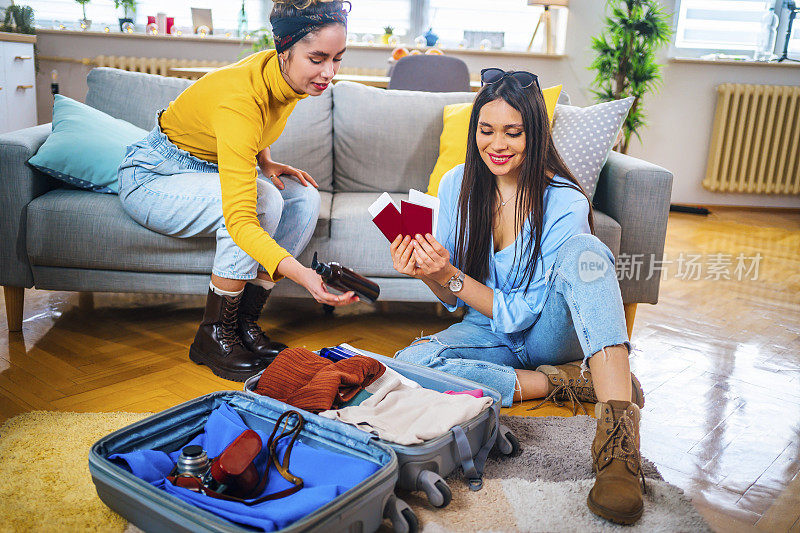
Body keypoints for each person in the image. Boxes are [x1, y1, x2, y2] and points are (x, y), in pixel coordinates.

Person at [391, 68, 647, 525]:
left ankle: (618, 445)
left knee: (588, 251)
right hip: (487, 329)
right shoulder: (456, 185)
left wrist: (451, 276)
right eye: (486, 131)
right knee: (411, 364)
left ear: (535, 135)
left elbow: (524, 309)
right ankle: (565, 382)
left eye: (513, 132)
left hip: (549, 331)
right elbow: (454, 300)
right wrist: (427, 270)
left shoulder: (563, 199)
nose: (497, 145)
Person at [117, 0, 357, 382]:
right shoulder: (240, 99)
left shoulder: (279, 73)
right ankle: (214, 335)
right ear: (286, 51)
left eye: (337, 58)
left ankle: (245, 322)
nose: (329, 72)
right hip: (154, 177)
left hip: (202, 169)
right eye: (318, 59)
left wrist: (266, 162)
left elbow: (255, 124)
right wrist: (302, 275)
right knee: (262, 201)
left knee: (302, 195)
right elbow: (241, 219)